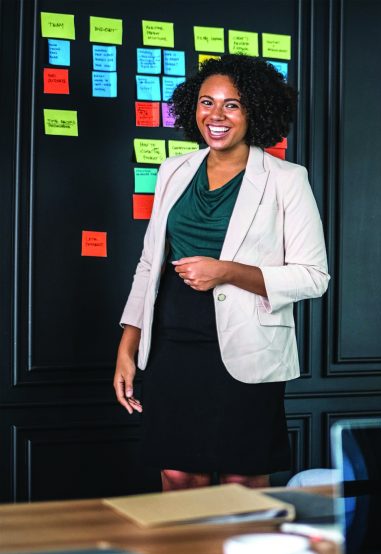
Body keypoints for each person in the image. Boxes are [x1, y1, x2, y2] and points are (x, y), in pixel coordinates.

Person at [112, 55, 329, 491]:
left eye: (232, 104)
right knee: (177, 473)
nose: (216, 115)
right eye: (207, 102)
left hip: (247, 352)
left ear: (256, 111)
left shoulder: (287, 179)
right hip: (173, 346)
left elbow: (313, 276)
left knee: (241, 479)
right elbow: (149, 263)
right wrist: (128, 344)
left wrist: (226, 271)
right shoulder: (173, 170)